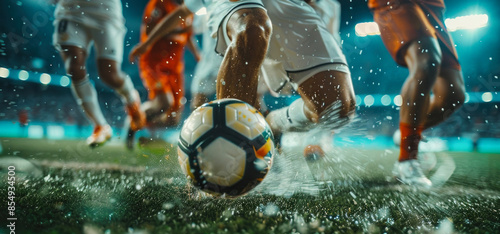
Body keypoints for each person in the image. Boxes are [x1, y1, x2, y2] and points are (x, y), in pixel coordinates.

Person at [130, 0, 356, 142]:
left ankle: (272, 124)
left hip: (291, 5)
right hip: (237, 5)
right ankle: (218, 147)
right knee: (252, 27)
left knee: (338, 108)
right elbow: (183, 13)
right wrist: (149, 42)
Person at [369, 0, 466, 187]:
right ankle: (407, 160)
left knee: (454, 94)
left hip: (433, 7)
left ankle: (406, 133)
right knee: (426, 60)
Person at [52, 0, 146, 147]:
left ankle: (131, 99)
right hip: (70, 9)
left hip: (105, 10)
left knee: (109, 74)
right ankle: (100, 125)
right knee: (74, 68)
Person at [127, 0, 199, 149]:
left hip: (174, 67)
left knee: (174, 120)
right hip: (155, 63)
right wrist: (180, 30)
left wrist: (198, 55)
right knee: (164, 102)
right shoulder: (160, 4)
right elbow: (150, 30)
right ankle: (134, 124)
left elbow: (188, 36)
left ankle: (140, 123)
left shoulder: (189, 8)